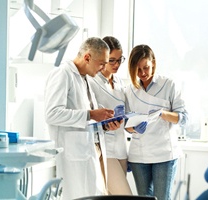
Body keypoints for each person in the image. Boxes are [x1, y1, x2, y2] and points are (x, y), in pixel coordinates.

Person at [44, 37, 122, 200]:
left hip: (91, 149)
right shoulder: (63, 74)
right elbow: (52, 113)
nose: (103, 68)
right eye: (101, 63)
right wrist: (91, 114)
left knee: (95, 194)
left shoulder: (85, 78)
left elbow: (87, 120)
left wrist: (105, 125)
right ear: (87, 57)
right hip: (73, 154)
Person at [125, 44, 188, 200]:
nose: (142, 73)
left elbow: (184, 117)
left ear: (153, 62)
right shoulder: (130, 90)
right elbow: (127, 126)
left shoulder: (169, 85)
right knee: (144, 198)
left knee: (162, 198)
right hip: (139, 155)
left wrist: (162, 114)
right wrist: (134, 128)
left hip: (164, 154)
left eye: (146, 67)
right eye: (138, 70)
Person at [87, 36, 132, 195]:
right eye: (112, 60)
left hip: (121, 149)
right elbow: (89, 117)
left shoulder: (120, 82)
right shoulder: (92, 81)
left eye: (120, 60)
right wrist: (106, 124)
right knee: (126, 196)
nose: (117, 65)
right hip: (105, 149)